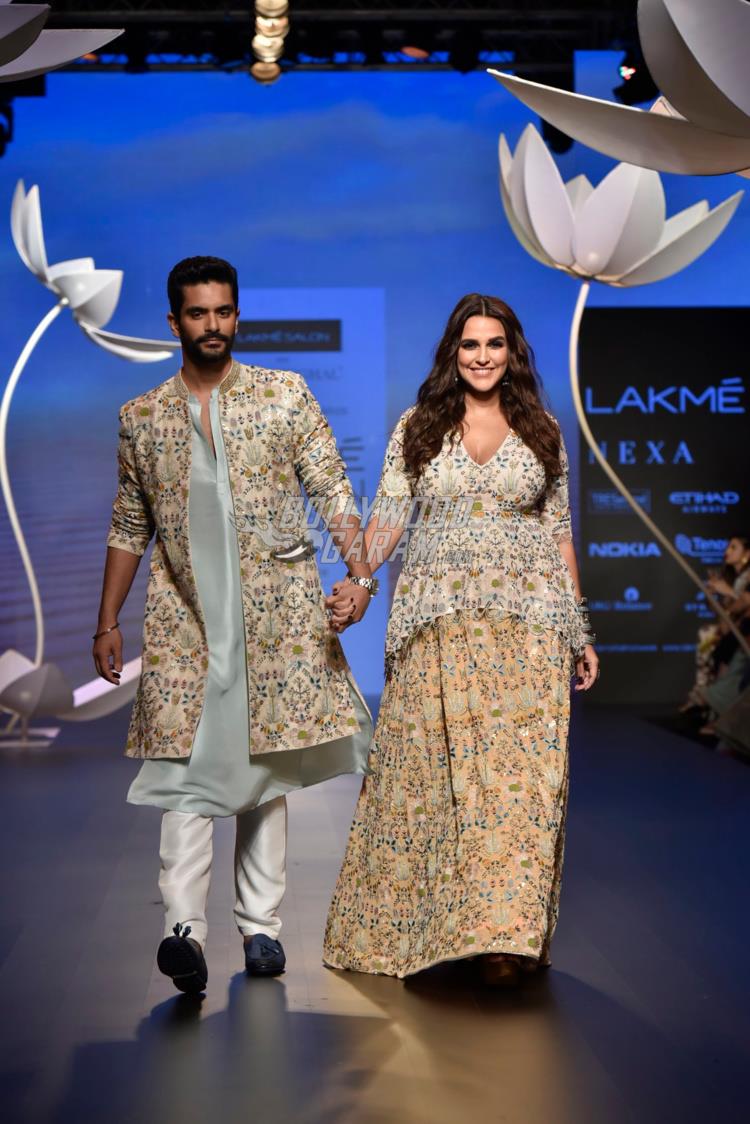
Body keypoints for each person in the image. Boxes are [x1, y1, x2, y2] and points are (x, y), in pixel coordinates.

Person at [94, 256, 376, 993]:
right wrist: (105, 623)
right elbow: (129, 525)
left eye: (223, 312)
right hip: (186, 621)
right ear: (174, 321)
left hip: (274, 620)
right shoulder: (142, 417)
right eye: (198, 313)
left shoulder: (285, 397)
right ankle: (182, 930)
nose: (212, 326)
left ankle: (261, 931)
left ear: (237, 316)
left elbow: (332, 487)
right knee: (186, 773)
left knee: (264, 769)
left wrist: (362, 571)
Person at [323, 293, 598, 987]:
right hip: (436, 623)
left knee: (519, 787)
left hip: (529, 624)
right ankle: (436, 929)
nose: (481, 357)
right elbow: (387, 515)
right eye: (470, 345)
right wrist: (360, 581)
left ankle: (503, 940)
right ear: (453, 351)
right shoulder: (418, 427)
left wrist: (580, 627)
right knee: (431, 779)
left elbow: (558, 532)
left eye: (494, 345)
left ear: (513, 354)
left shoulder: (542, 430)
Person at [680, 536, 750, 716]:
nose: (727, 552)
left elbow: (743, 603)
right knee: (710, 643)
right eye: (728, 547)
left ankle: (712, 706)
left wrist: (727, 593)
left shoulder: (746, 577)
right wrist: (711, 596)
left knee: (723, 652)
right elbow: (719, 610)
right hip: (729, 629)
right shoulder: (732, 577)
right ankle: (711, 705)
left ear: (747, 553)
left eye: (733, 548)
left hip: (741, 630)